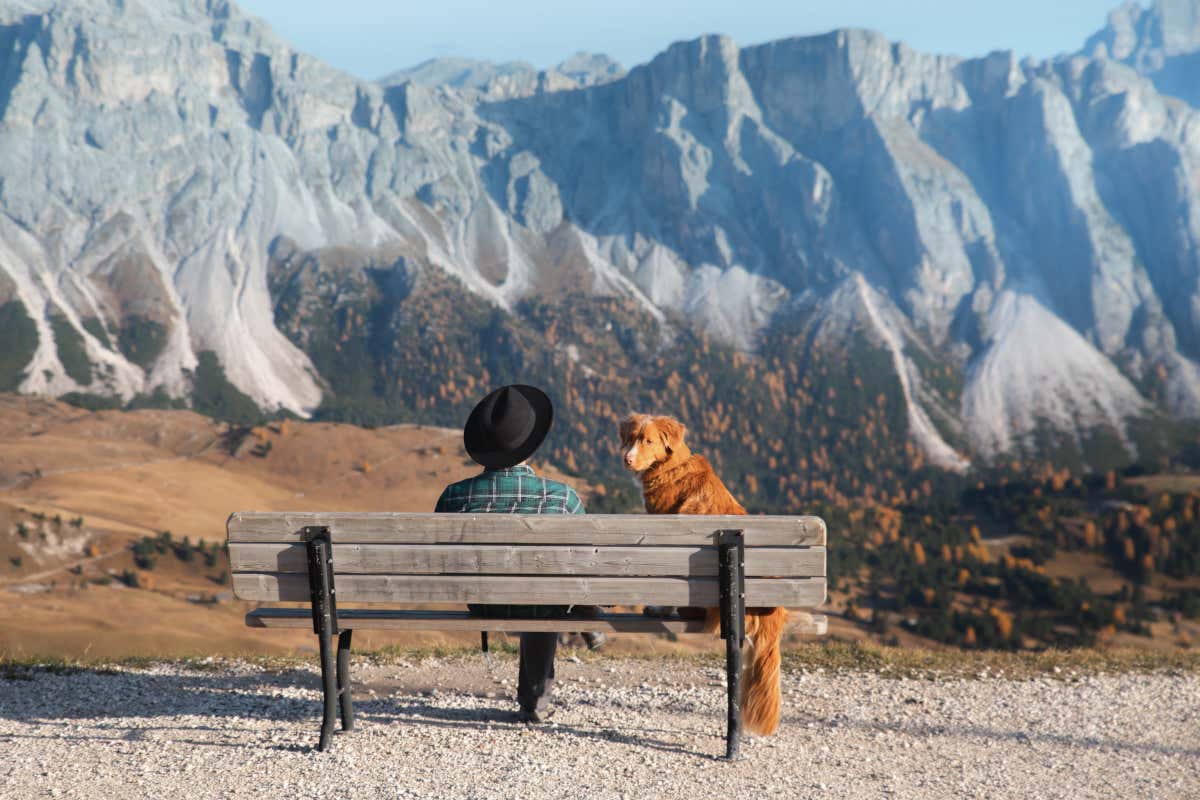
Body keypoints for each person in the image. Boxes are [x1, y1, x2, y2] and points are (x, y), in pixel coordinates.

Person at [433, 384, 596, 723]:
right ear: (530, 444)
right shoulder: (562, 498)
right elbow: (587, 564)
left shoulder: (453, 497)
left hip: (481, 599)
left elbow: (439, 559)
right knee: (546, 591)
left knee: (541, 589)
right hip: (542, 601)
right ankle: (535, 698)